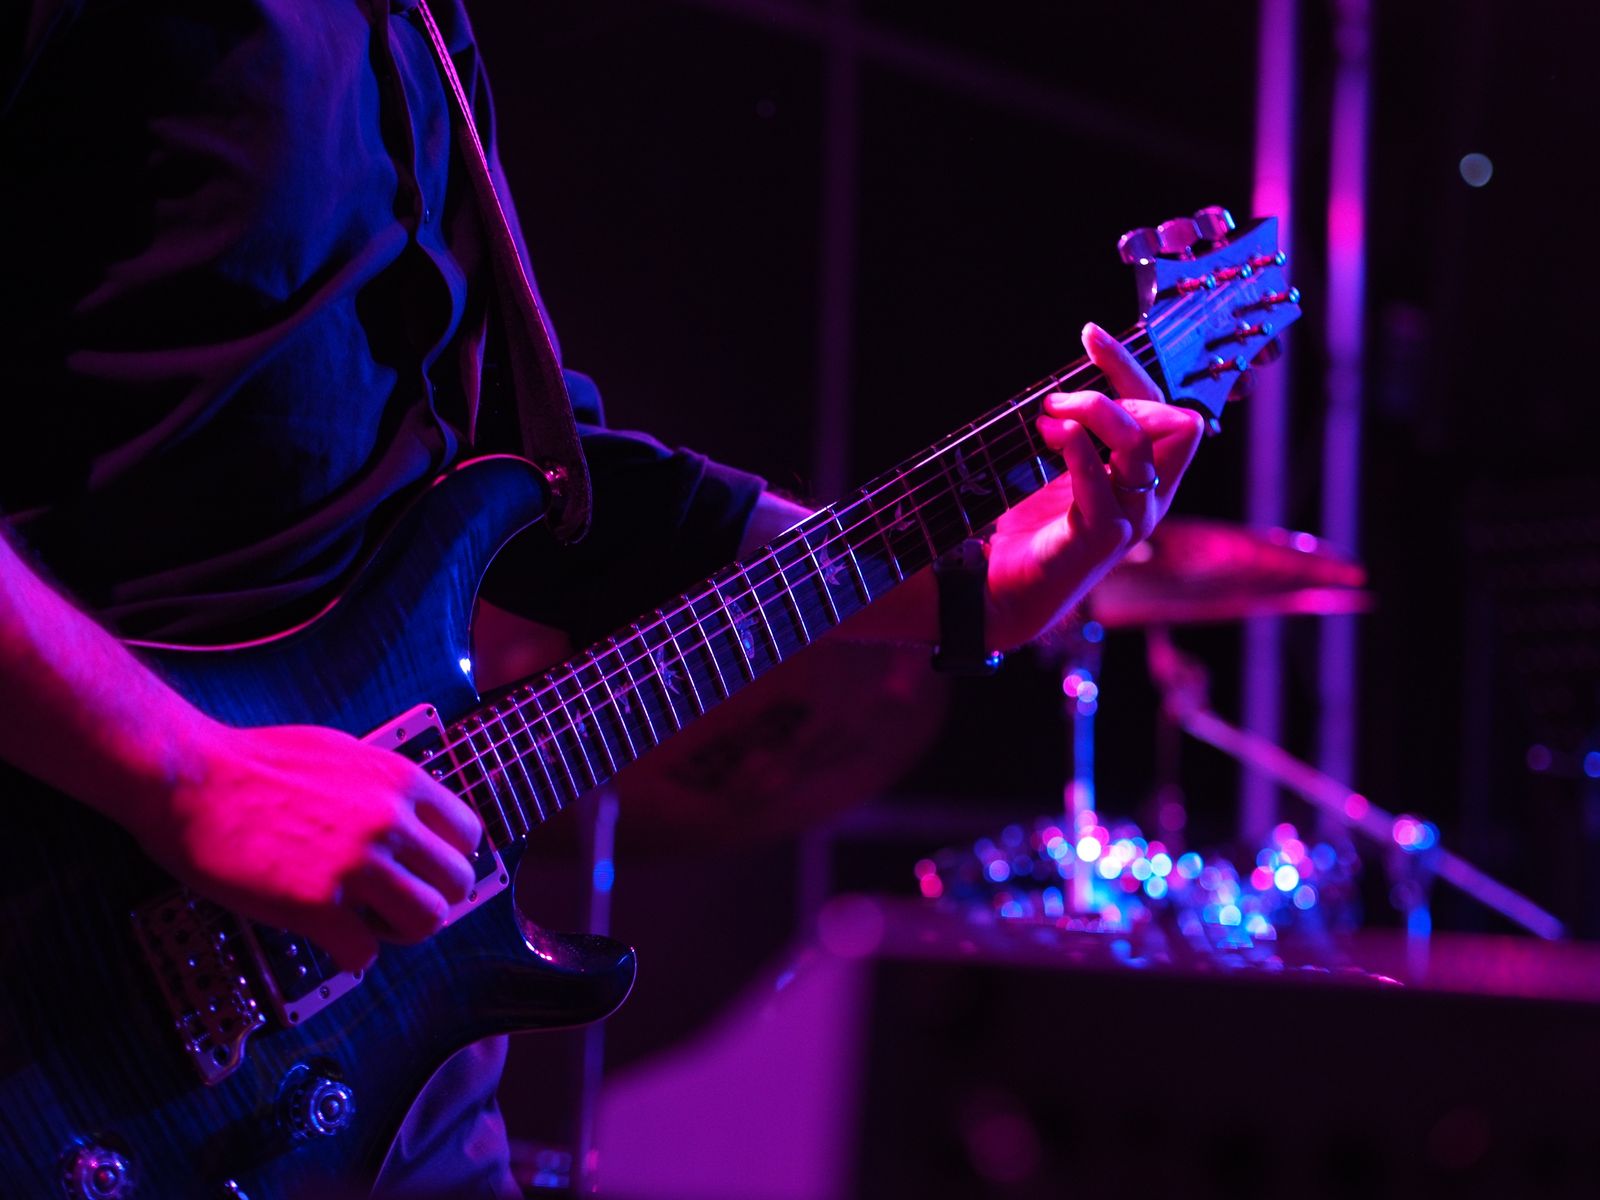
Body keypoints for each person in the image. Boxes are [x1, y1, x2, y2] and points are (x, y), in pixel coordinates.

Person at [0, 2, 1204, 1195]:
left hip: (374, 1026)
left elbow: (540, 483)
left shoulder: (418, 30)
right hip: (60, 958)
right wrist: (183, 775)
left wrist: (971, 588)